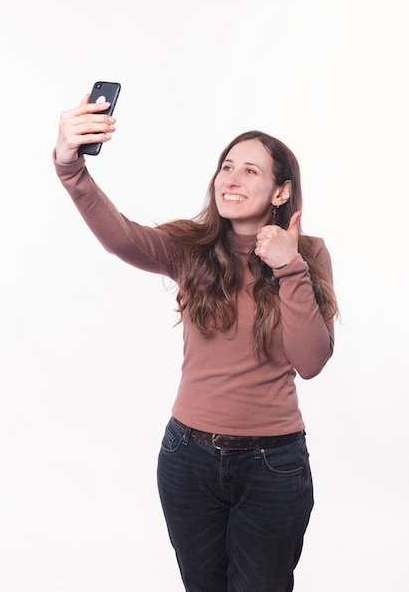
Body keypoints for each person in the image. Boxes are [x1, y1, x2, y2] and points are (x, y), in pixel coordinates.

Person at [54, 93, 338, 592]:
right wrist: (70, 166)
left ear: (280, 192)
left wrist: (287, 266)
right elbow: (122, 237)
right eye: (226, 167)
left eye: (250, 171)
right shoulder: (192, 249)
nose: (230, 178)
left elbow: (311, 361)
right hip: (188, 458)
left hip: (273, 465)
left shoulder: (307, 254)